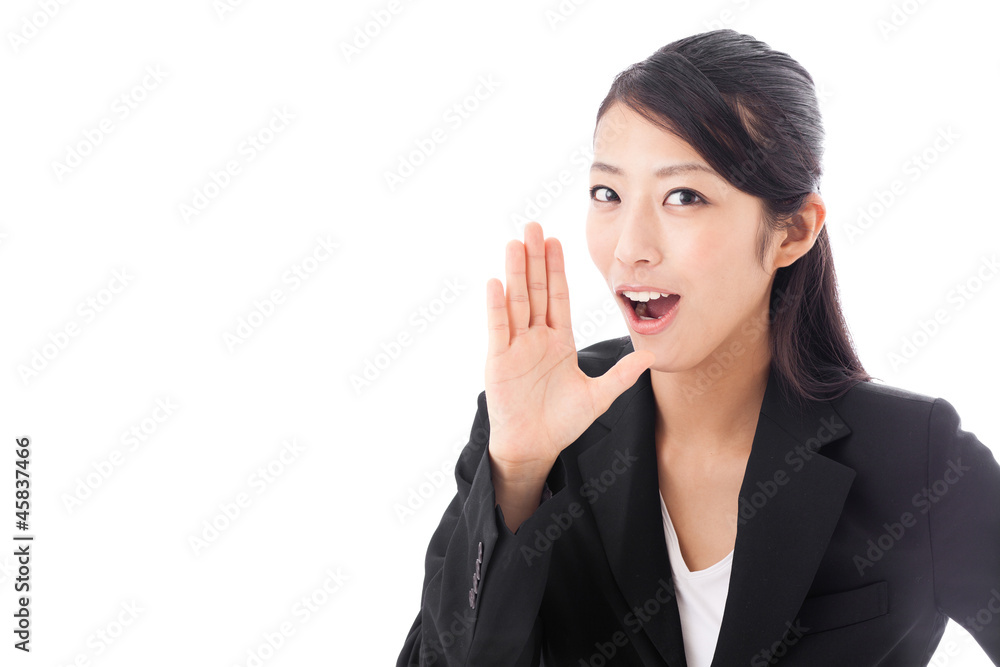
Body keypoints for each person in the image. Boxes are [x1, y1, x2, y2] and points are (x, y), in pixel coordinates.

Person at [395, 29, 1000, 666]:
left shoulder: (917, 456)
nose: (631, 246)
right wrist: (517, 472)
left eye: (684, 196)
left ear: (792, 231)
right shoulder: (543, 426)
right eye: (608, 194)